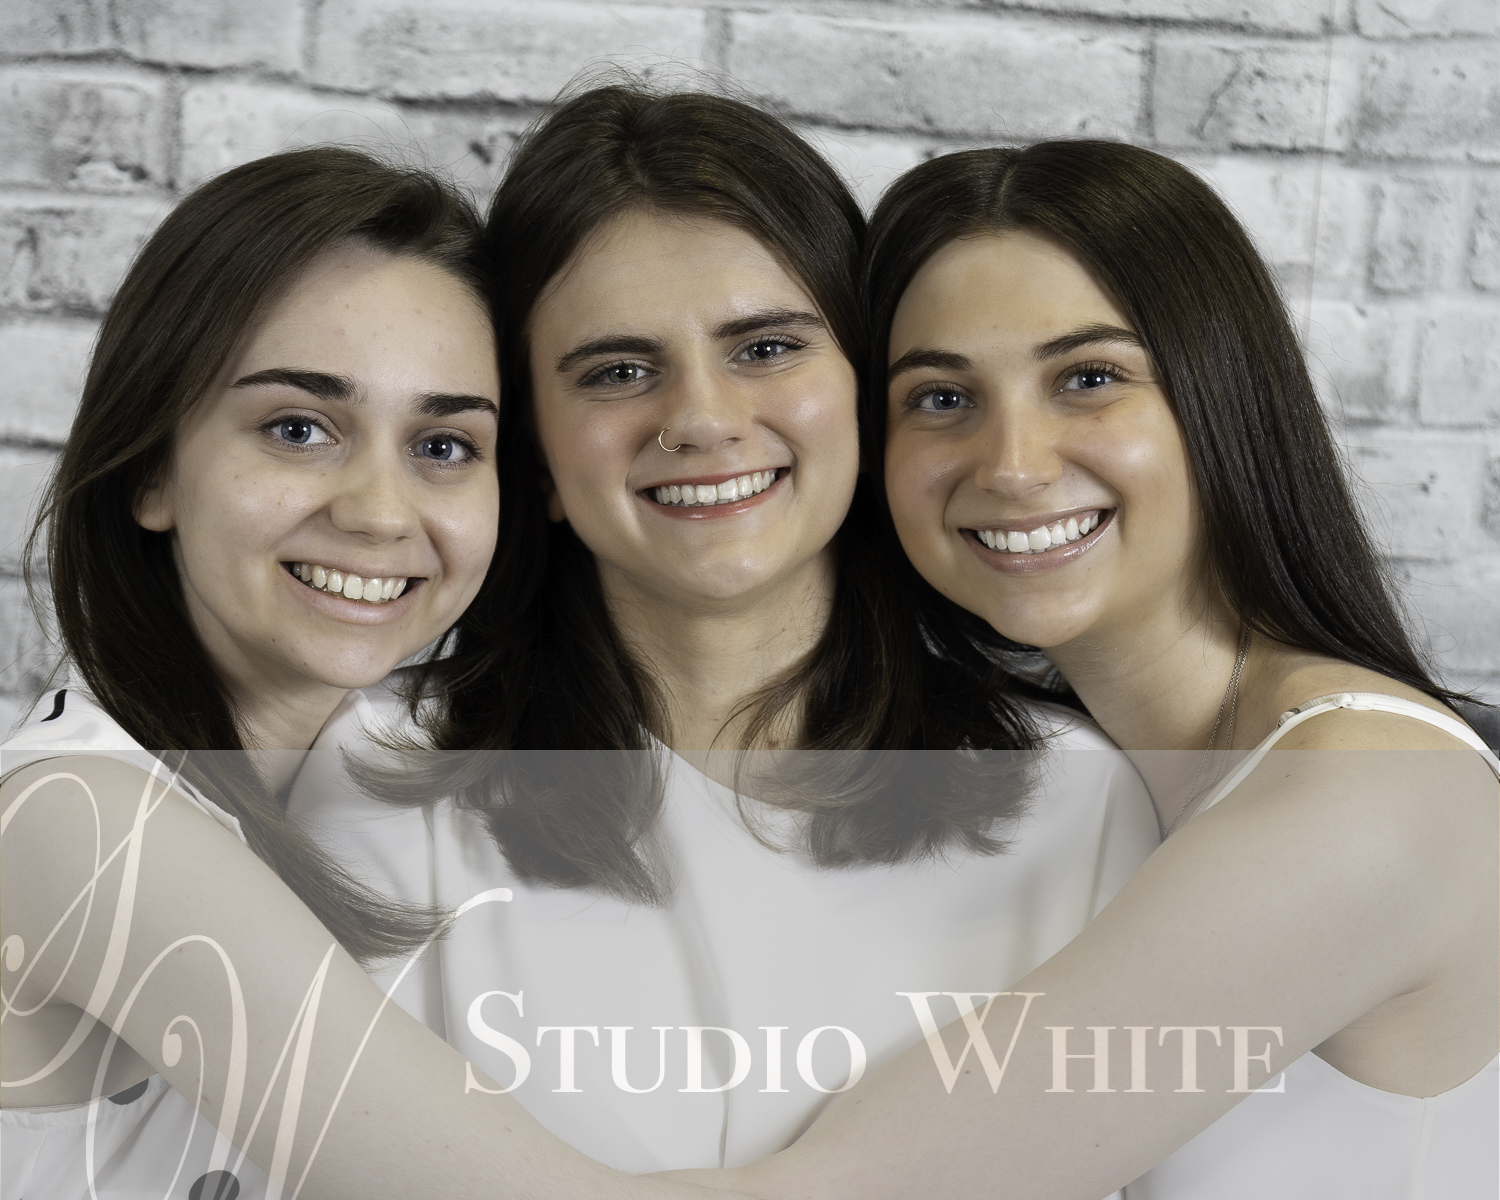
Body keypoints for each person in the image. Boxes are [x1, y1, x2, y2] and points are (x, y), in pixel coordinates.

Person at [287, 87, 1160, 1174]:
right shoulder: (381, 783)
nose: (700, 419)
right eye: (618, 371)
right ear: (535, 454)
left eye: (767, 348)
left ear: (866, 395)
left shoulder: (1079, 800)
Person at [660, 141, 1499, 1198]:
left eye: (1088, 379)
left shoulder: (1366, 796)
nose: (1012, 465)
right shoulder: (1103, 781)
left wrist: (427, 1058)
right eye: (941, 398)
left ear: (1222, 396)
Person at [0, 146, 748, 1200]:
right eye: (298, 429)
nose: (380, 512)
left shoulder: (345, 787)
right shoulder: (79, 823)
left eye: (443, 446)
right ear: (153, 467)